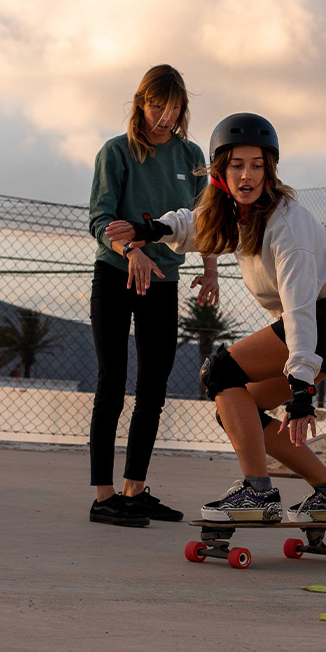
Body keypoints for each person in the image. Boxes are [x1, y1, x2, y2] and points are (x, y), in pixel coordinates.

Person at [113, 112, 326, 523]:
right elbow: (194, 224)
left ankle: (258, 494)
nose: (247, 175)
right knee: (238, 407)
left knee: (219, 373)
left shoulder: (288, 225)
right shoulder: (237, 212)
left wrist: (302, 388)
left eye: (257, 165)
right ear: (221, 171)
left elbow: (300, 308)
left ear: (269, 170)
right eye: (237, 165)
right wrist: (151, 230)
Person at [87, 64, 218, 527]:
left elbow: (203, 223)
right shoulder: (116, 152)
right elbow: (100, 220)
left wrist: (209, 271)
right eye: (155, 104)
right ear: (140, 103)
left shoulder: (192, 156)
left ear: (183, 107)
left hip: (163, 283)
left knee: (153, 391)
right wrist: (131, 251)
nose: (163, 115)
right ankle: (104, 499)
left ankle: (134, 490)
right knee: (112, 386)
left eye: (172, 106)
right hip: (115, 278)